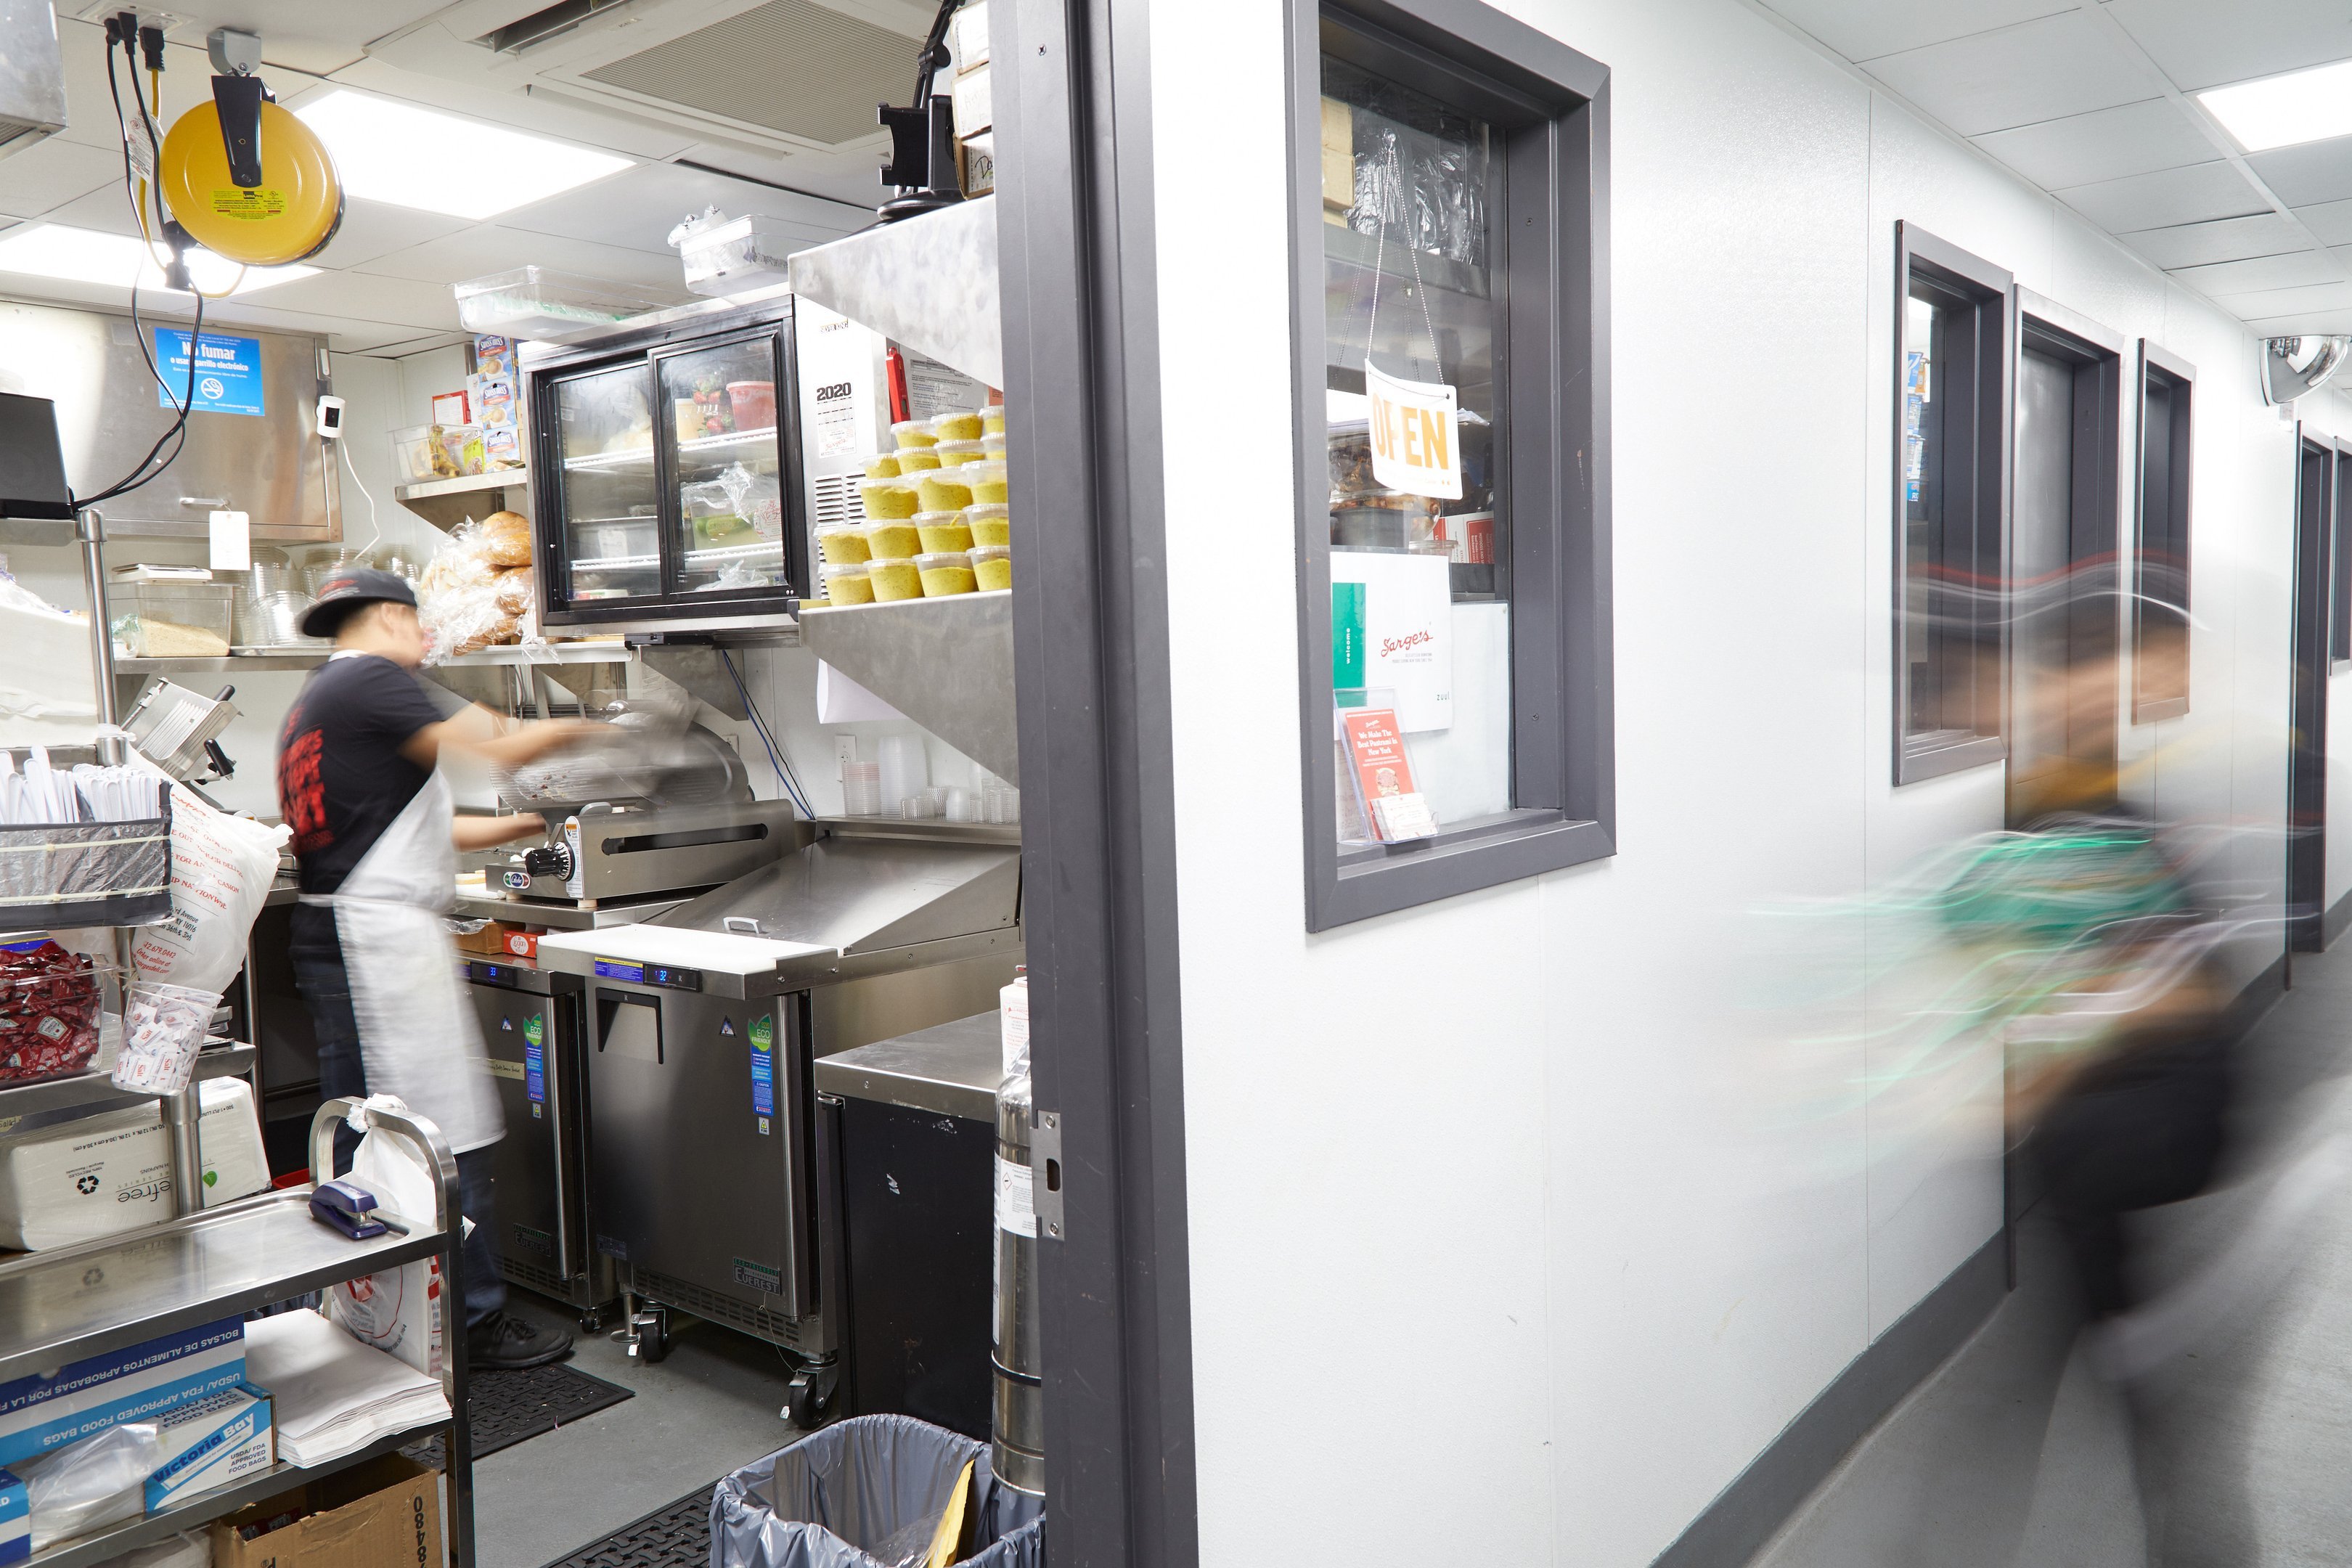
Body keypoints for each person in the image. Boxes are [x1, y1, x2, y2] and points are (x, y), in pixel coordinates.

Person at [277, 567, 588, 1371]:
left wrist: (527, 820)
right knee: (431, 1131)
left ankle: (382, 1316)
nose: (424, 648)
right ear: (390, 617)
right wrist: (607, 733)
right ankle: (472, 1323)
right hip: (374, 945)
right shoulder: (375, 679)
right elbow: (501, 740)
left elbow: (413, 830)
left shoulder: (318, 700)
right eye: (420, 629)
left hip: (340, 932)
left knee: (367, 1137)